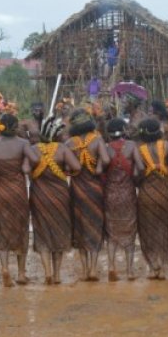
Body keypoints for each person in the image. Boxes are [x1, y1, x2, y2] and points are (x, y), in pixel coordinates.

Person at [0, 113, 38, 286]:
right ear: (16, 127)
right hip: (18, 191)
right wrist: (25, 165)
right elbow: (35, 160)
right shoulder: (23, 143)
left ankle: (5, 268)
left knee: (2, 228)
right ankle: (21, 273)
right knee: (21, 229)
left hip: (0, 191)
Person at [27, 116, 81, 285]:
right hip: (59, 196)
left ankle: (47, 273)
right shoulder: (62, 149)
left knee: (42, 233)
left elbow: (26, 170)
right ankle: (57, 275)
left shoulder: (34, 149)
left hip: (39, 196)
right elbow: (77, 167)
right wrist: (65, 173)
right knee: (58, 232)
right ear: (57, 135)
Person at [66, 109, 110, 281]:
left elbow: (68, 167)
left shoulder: (69, 143)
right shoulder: (97, 140)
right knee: (95, 226)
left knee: (80, 229)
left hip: (77, 190)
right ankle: (93, 269)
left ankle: (85, 270)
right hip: (95, 189)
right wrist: (98, 168)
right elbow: (105, 160)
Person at [136, 118, 168, 280]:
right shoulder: (166, 146)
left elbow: (137, 174)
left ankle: (152, 267)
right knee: (163, 229)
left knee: (147, 230)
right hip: (165, 193)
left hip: (146, 194)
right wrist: (167, 169)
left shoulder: (139, 149)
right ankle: (162, 267)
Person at [103, 118, 143, 281]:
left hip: (110, 194)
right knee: (129, 231)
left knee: (111, 232)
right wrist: (134, 176)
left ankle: (112, 266)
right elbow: (140, 167)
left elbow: (101, 169)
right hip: (128, 193)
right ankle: (129, 270)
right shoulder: (132, 146)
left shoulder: (106, 148)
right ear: (123, 130)